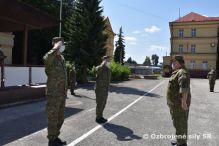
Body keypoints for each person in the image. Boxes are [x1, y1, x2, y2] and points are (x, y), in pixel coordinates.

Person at [43, 37, 67, 146]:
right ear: (56, 45)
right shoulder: (50, 58)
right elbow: (46, 59)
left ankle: (55, 136)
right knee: (53, 117)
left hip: (62, 93)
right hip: (53, 94)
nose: (63, 46)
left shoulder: (61, 59)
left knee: (60, 118)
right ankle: (51, 140)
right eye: (61, 44)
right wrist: (55, 48)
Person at [166, 55, 191, 146]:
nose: (172, 64)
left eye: (174, 62)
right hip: (175, 104)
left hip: (179, 105)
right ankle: (179, 140)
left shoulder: (182, 72)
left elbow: (184, 87)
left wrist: (184, 102)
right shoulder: (177, 72)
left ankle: (182, 143)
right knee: (178, 123)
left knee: (180, 124)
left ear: (178, 62)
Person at [95, 56, 111, 124]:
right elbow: (97, 74)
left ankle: (100, 116)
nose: (108, 61)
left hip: (105, 89)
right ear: (103, 60)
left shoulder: (108, 69)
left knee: (103, 103)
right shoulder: (99, 68)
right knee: (100, 103)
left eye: (109, 60)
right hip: (99, 89)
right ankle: (98, 118)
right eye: (107, 60)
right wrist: (102, 65)